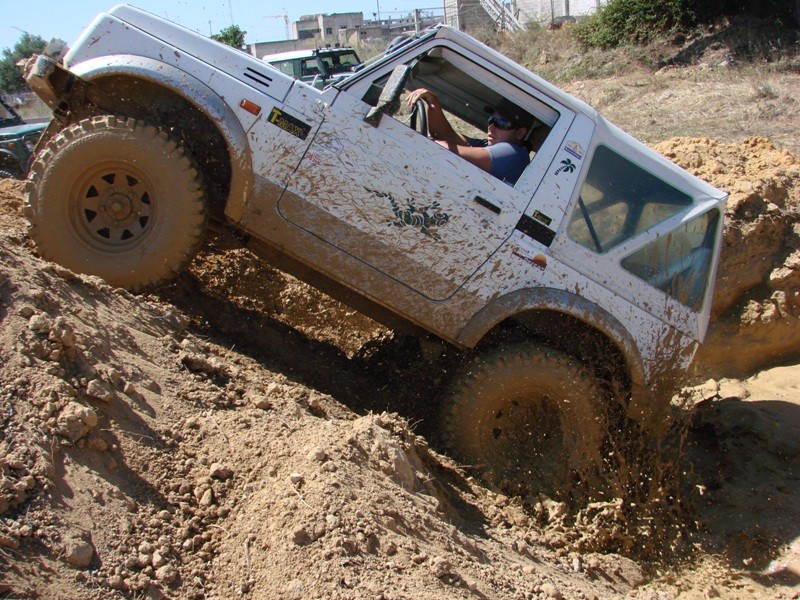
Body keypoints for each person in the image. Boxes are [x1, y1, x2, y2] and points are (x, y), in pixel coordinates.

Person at [405, 88, 532, 185]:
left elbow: (449, 150)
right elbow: (446, 137)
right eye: (491, 120)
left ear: (520, 133)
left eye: (501, 123)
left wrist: (420, 140)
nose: (492, 127)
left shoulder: (513, 154)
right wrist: (433, 102)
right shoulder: (489, 146)